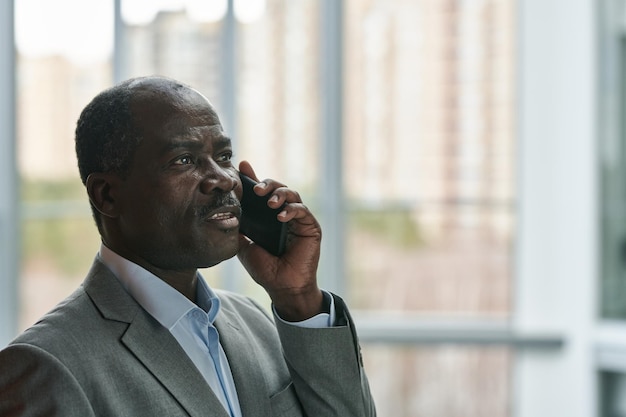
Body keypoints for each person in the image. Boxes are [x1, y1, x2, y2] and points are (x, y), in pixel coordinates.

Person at [0, 76, 376, 417]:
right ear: (108, 195)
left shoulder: (258, 322)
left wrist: (298, 299)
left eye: (224, 157)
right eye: (184, 160)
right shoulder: (45, 366)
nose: (222, 180)